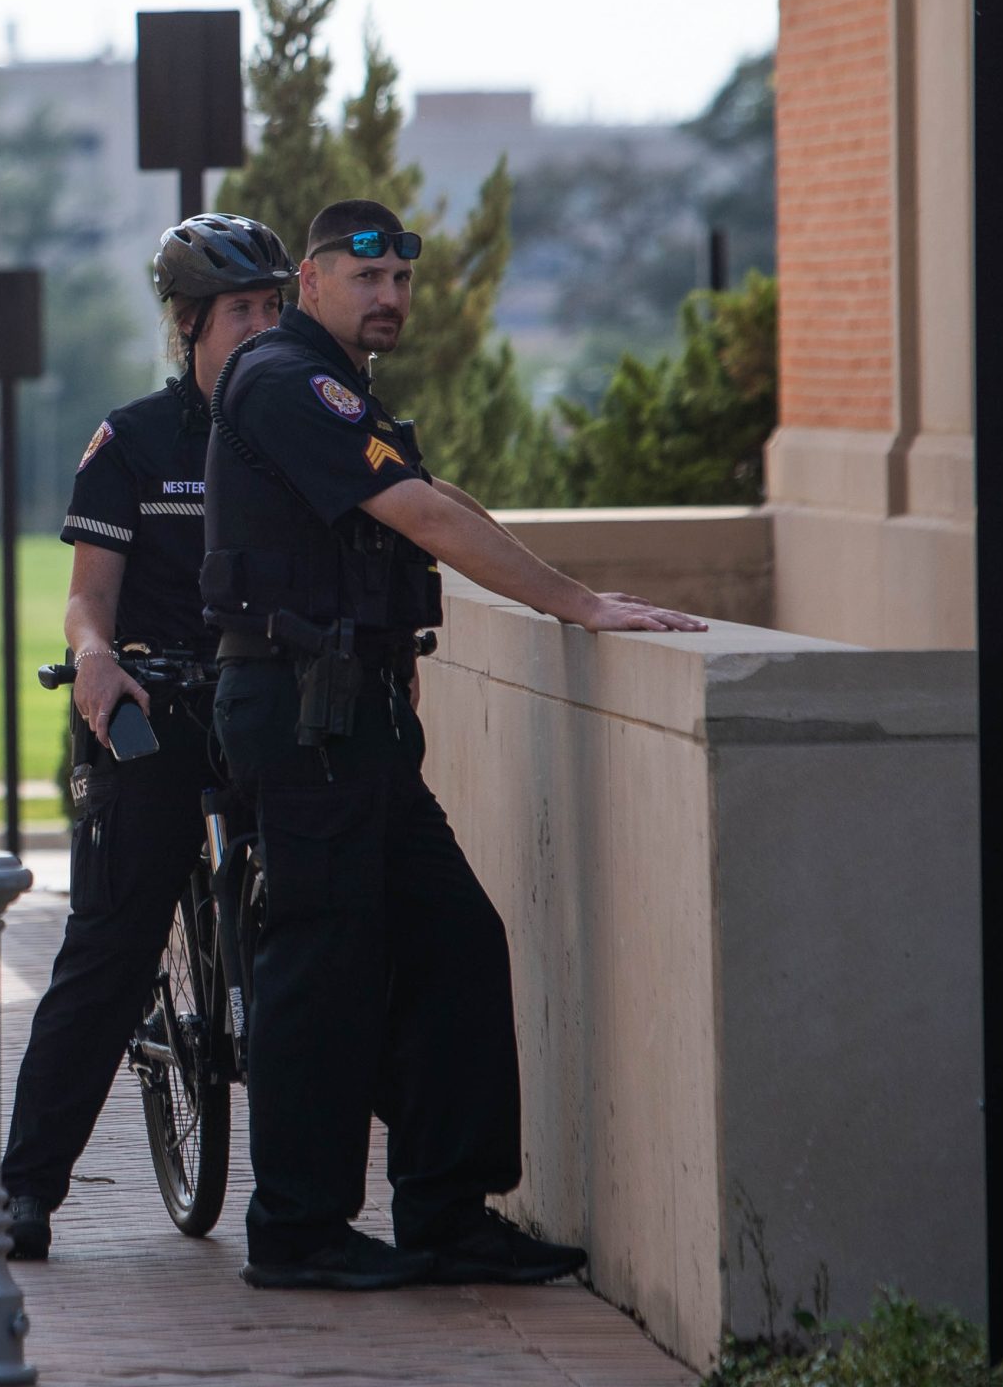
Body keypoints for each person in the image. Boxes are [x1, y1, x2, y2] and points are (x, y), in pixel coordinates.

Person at [204, 197, 706, 1292]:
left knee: (454, 948)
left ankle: (446, 1212)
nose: (387, 299)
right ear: (312, 283)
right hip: (304, 714)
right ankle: (297, 1228)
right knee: (320, 970)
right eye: (363, 278)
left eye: (400, 283)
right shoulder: (288, 379)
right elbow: (422, 520)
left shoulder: (336, 391)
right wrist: (577, 606)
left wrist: (571, 586)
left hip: (353, 715)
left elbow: (437, 496)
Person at [0, 214, 294, 1261]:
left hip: (268, 707)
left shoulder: (298, 424)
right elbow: (89, 599)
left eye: (273, 308)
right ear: (187, 326)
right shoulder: (133, 441)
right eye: (241, 312)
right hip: (159, 708)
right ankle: (26, 1188)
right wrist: (96, 661)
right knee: (112, 946)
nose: (262, 329)